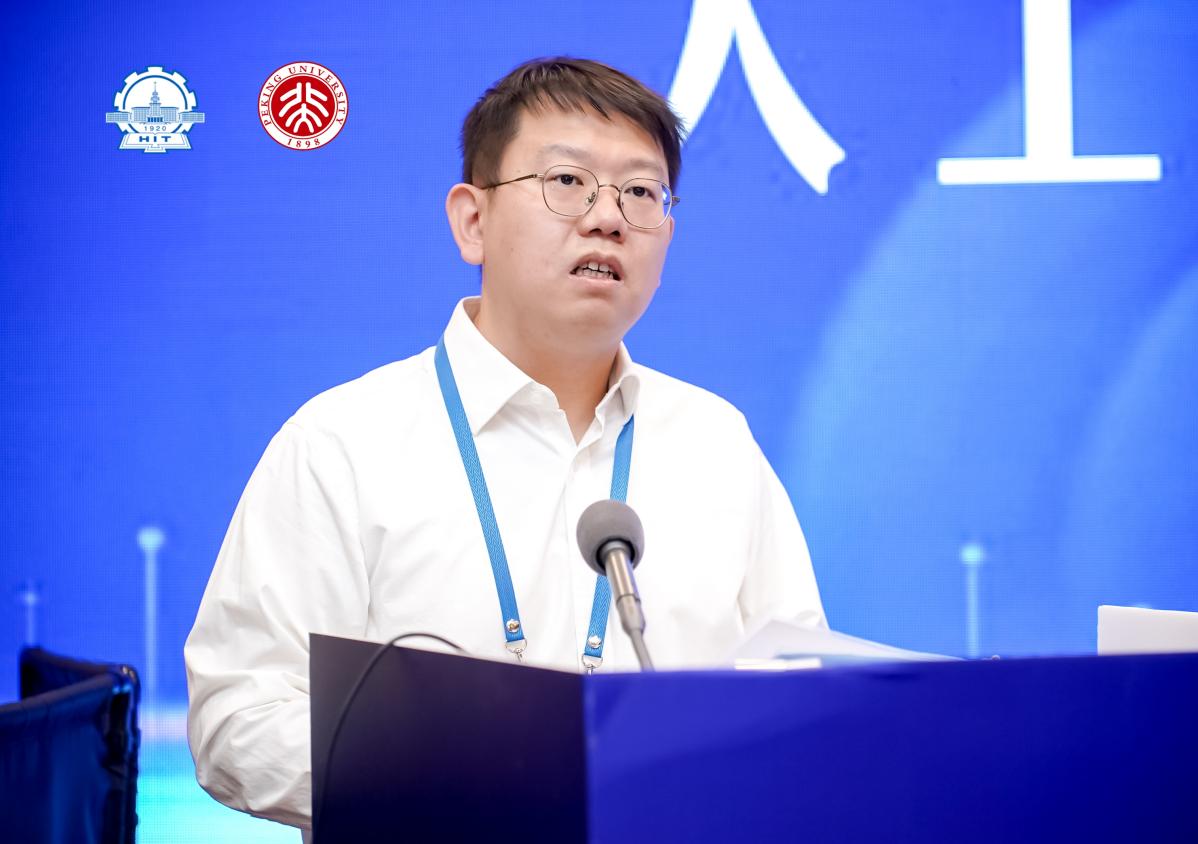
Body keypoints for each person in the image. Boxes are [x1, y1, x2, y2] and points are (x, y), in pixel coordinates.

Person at [185, 57, 825, 831]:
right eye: (567, 181)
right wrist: (461, 777)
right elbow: (239, 715)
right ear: (472, 221)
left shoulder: (715, 444)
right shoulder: (342, 442)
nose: (607, 217)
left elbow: (802, 696)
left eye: (640, 192)